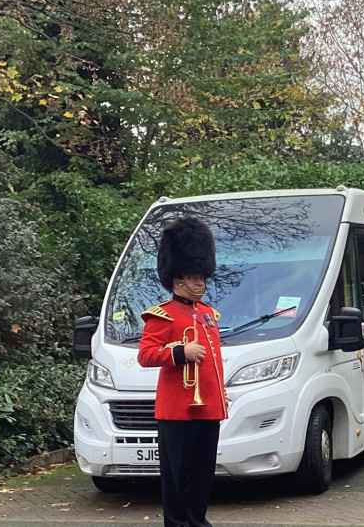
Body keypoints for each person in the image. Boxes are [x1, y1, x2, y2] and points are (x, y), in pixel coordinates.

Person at [137, 217, 228, 527]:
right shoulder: (162, 315)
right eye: (194, 277)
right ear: (177, 280)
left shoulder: (208, 314)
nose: (201, 283)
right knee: (177, 477)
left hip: (209, 408)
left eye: (202, 277)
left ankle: (197, 521)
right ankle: (177, 523)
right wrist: (180, 352)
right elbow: (146, 356)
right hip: (177, 411)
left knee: (203, 474)